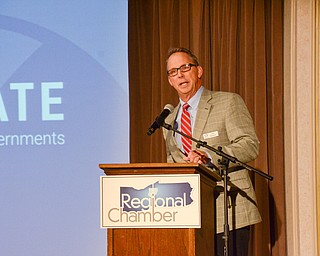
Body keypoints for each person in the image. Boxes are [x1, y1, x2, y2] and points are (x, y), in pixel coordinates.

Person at [162, 47, 262, 256]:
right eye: (173, 72)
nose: (179, 74)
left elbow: (249, 145)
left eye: (185, 67)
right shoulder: (169, 121)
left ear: (199, 71)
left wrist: (210, 156)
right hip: (191, 216)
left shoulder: (227, 102)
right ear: (170, 81)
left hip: (229, 211)